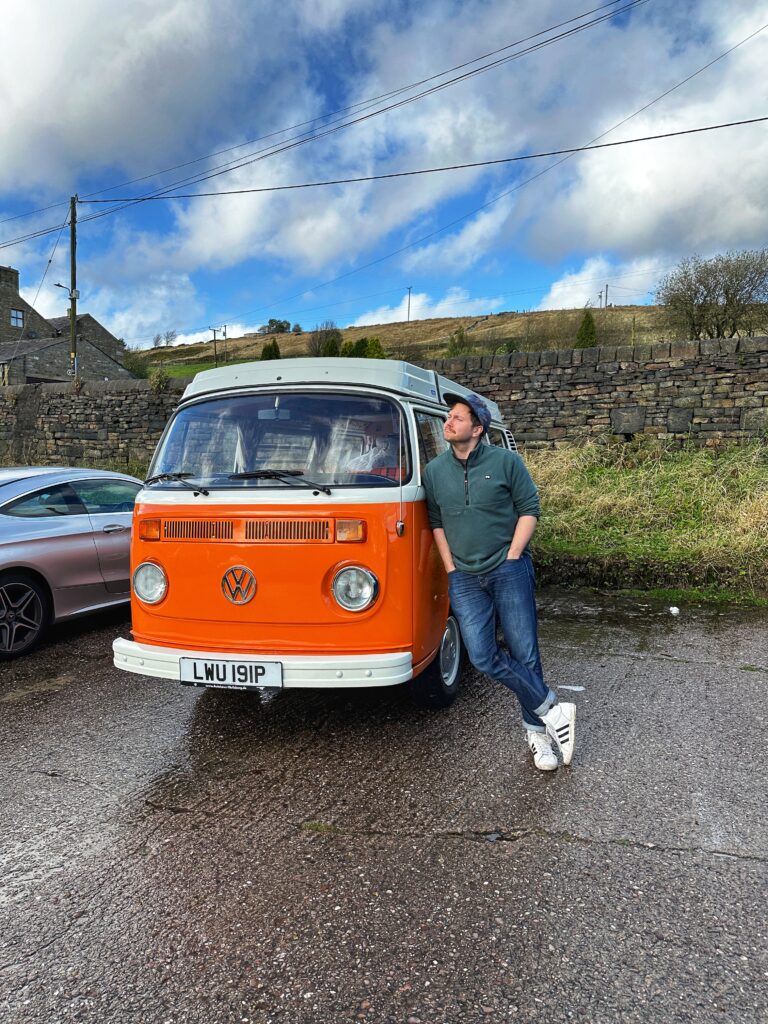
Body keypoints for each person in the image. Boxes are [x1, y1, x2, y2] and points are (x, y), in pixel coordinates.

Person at [422, 391, 576, 771]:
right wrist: (451, 568)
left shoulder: (506, 462)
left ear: (477, 429)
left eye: (457, 417)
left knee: (525, 652)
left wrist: (513, 555)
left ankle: (538, 736)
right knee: (482, 656)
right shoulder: (434, 471)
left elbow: (530, 508)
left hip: (508, 570)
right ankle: (553, 710)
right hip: (464, 577)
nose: (447, 422)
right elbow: (437, 522)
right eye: (448, 416)